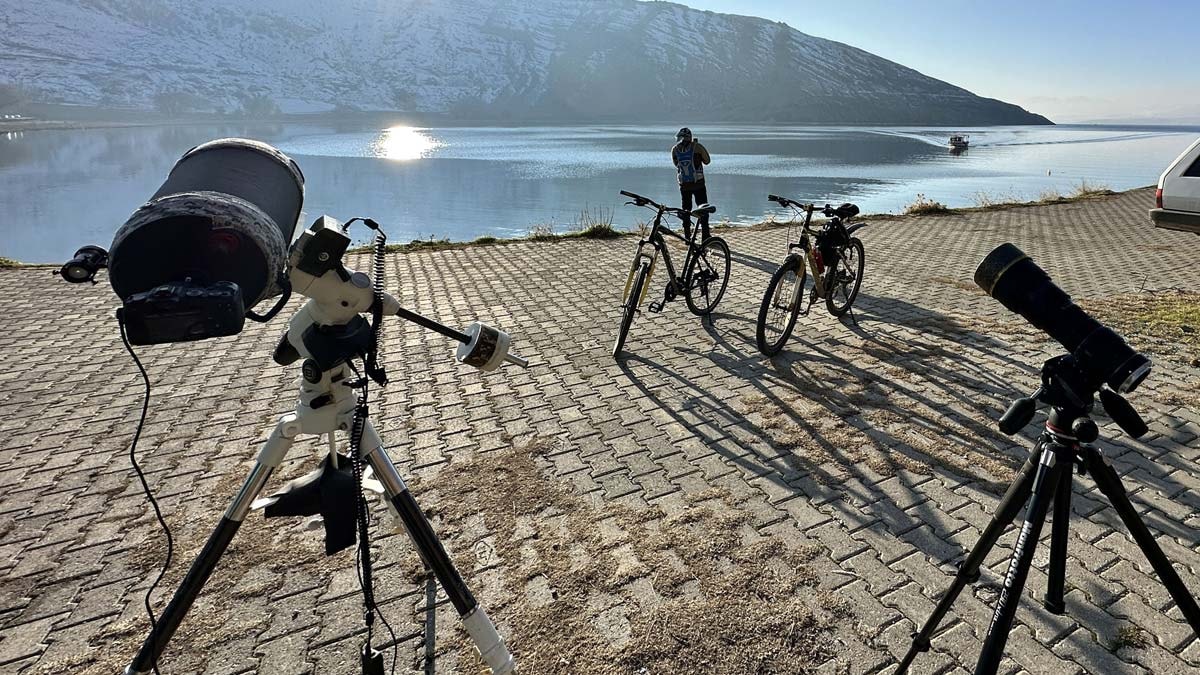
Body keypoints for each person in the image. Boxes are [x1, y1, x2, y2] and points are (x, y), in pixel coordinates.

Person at [671, 127, 711, 241]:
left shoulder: (675, 149)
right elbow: (707, 161)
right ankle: (705, 235)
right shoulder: (697, 147)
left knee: (686, 210)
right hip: (698, 184)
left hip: (684, 185)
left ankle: (687, 236)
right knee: (703, 208)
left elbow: (676, 164)